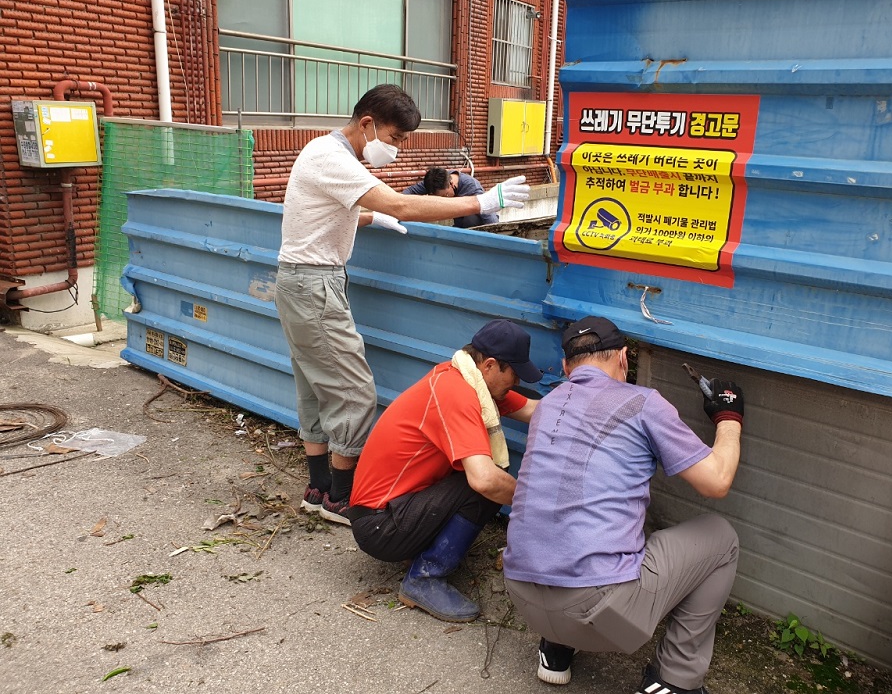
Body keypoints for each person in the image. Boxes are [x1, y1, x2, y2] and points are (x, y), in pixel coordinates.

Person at [276, 84, 530, 525]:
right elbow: (400, 203)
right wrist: (482, 201)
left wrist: (371, 218)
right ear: (367, 124)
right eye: (395, 138)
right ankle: (340, 499)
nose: (396, 148)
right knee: (354, 392)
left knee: (314, 385)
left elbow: (322, 213)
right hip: (315, 284)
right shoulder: (332, 157)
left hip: (298, 281)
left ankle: (318, 490)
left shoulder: (320, 151)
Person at [503, 316, 745, 694]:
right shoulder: (643, 402)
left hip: (522, 597)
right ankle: (675, 681)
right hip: (594, 611)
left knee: (583, 515)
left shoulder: (549, 405)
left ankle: (556, 649)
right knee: (721, 537)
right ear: (623, 358)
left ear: (566, 367)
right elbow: (717, 481)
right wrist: (729, 417)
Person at [348, 319, 543, 623]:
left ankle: (420, 549)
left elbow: (533, 409)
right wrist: (539, 504)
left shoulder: (469, 381)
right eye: (514, 374)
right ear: (490, 365)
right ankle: (424, 578)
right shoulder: (457, 393)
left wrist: (587, 405)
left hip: (391, 509)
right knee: (488, 481)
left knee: (487, 476)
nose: (517, 382)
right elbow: (485, 480)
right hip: (379, 526)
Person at [403, 167, 499, 228]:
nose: (445, 200)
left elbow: (488, 213)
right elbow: (408, 193)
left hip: (476, 226)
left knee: (471, 218)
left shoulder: (471, 187)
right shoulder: (434, 181)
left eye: (445, 195)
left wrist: (496, 236)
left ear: (451, 184)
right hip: (458, 225)